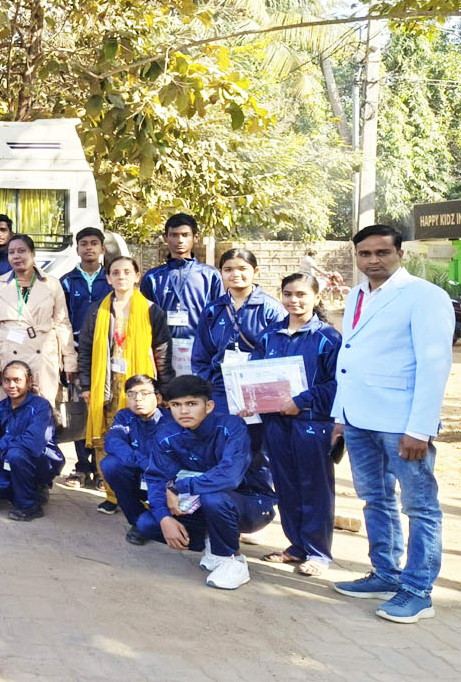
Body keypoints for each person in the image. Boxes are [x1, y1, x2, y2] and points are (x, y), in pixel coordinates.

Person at [330, 224, 452, 623]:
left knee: (419, 506)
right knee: (375, 498)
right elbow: (348, 358)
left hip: (401, 423)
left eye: (382, 253)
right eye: (365, 254)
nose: (373, 261)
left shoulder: (425, 297)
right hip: (360, 419)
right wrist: (339, 416)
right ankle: (385, 572)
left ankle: (418, 590)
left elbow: (434, 365)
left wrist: (420, 428)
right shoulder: (356, 294)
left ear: (399, 252)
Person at [137, 375, 275, 590]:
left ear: (209, 406)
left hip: (252, 504)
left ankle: (233, 561)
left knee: (214, 497)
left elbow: (230, 476)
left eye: (191, 404)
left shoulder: (232, 426)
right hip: (202, 504)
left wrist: (179, 487)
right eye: (176, 405)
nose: (183, 411)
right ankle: (214, 542)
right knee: (148, 523)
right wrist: (164, 518)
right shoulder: (166, 434)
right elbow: (156, 478)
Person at [250, 273, 341, 577]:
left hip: (311, 423)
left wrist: (302, 400)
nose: (294, 301)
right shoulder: (269, 335)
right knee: (286, 483)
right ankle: (296, 546)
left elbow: (336, 383)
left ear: (316, 297)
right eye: (288, 294)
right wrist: (247, 397)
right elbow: (254, 373)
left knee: (314, 486)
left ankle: (318, 552)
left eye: (302, 294)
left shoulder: (327, 337)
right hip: (275, 420)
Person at [78, 255, 173, 514]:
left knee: (139, 438)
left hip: (138, 385)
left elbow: (162, 351)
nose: (121, 277)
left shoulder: (151, 310)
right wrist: (86, 385)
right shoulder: (98, 310)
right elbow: (86, 349)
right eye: (115, 273)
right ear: (107, 278)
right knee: (105, 438)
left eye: (126, 272)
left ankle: (141, 494)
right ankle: (112, 495)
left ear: (136, 276)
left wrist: (163, 389)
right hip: (104, 384)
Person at [191, 248, 287, 451]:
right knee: (223, 445)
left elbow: (280, 353)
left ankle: (257, 484)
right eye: (228, 269)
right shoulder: (213, 310)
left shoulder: (271, 310)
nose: (235, 274)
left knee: (258, 450)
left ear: (256, 271)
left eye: (243, 268)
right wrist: (209, 385)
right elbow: (201, 354)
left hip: (260, 391)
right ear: (221, 273)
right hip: (221, 390)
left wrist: (264, 387)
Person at [0, 234, 75, 403]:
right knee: (11, 410)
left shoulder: (52, 283)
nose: (16, 256)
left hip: (43, 356)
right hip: (10, 357)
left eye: (21, 251)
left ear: (33, 254)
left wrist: (69, 361)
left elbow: (62, 323)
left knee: (43, 408)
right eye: (11, 252)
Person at [0, 361, 63, 521]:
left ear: (29, 381)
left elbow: (34, 442)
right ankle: (26, 491)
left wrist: (1, 444)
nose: (11, 385)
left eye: (17, 380)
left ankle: (29, 506)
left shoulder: (40, 406)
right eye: (7, 380)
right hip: (10, 461)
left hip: (43, 461)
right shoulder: (0, 408)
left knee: (17, 453)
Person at [139, 213, 224, 379]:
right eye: (174, 235)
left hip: (199, 350)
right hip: (163, 351)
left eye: (185, 235)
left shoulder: (210, 275)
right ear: (165, 238)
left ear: (196, 238)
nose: (179, 240)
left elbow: (218, 317)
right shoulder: (153, 277)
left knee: (196, 397)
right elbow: (145, 319)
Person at [59, 227, 112, 489]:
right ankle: (81, 466)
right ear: (77, 249)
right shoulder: (67, 281)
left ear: (102, 248)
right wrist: (68, 357)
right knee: (80, 409)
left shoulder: (111, 279)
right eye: (83, 244)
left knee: (105, 408)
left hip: (109, 354)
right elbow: (62, 321)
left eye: (94, 243)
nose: (89, 248)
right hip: (79, 354)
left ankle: (103, 469)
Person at [98, 375, 165, 544]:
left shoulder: (170, 420)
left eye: (144, 393)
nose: (137, 399)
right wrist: (142, 462)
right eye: (131, 394)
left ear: (158, 398)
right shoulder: (124, 416)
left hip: (163, 483)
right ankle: (137, 520)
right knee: (110, 465)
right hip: (138, 475)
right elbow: (113, 441)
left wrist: (151, 466)